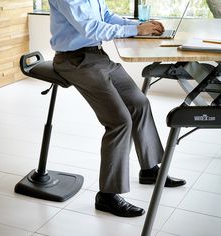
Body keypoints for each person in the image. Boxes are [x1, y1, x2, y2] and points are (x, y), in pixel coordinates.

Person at [49, 0, 186, 217]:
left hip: (97, 56)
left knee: (139, 103)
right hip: (73, 61)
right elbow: (90, 27)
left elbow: (106, 16)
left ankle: (149, 170)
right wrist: (135, 30)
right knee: (119, 121)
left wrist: (140, 25)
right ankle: (107, 196)